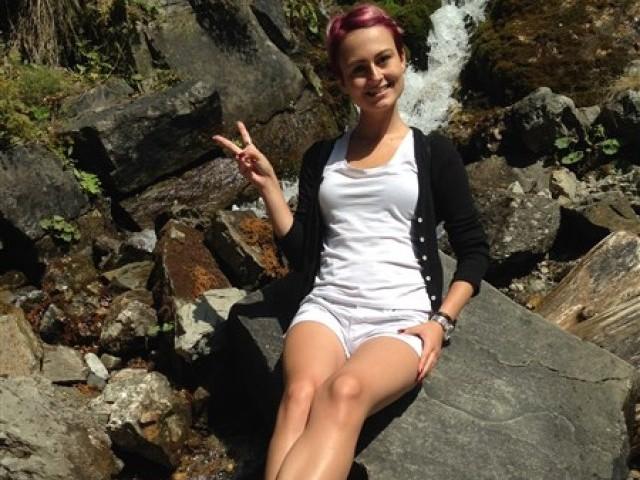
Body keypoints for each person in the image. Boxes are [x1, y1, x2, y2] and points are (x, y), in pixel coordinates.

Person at [213, 4, 489, 479]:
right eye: (359, 69)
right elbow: (303, 255)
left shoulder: (433, 154)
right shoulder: (321, 157)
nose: (375, 77)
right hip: (327, 308)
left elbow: (474, 250)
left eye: (384, 60)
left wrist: (441, 322)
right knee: (300, 396)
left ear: (404, 58)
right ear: (342, 81)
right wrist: (270, 188)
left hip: (400, 316)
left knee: (344, 392)